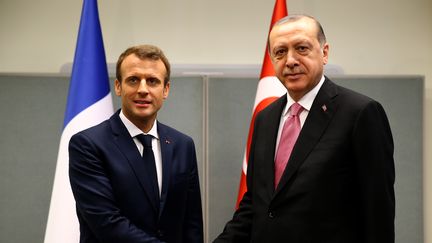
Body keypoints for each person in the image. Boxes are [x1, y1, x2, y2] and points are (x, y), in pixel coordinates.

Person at [214, 15, 395, 242]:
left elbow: (378, 211)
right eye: (280, 52)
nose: (290, 60)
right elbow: (257, 203)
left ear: (324, 52)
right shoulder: (265, 119)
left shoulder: (360, 113)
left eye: (301, 48)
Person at [69, 44, 203, 243]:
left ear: (165, 89)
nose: (143, 89)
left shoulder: (182, 145)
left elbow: (191, 223)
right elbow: (107, 223)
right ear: (118, 86)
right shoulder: (88, 144)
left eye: (152, 81)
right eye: (133, 80)